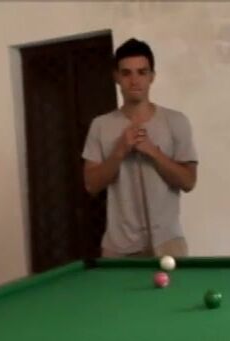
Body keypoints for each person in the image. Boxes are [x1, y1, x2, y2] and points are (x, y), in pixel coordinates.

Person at [82, 38, 198, 258]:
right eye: (126, 73)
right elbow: (91, 184)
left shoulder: (176, 121)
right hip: (118, 247)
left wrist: (153, 152)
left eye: (142, 72)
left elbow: (188, 181)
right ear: (116, 77)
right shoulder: (100, 126)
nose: (134, 80)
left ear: (152, 76)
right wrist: (120, 151)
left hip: (168, 243)